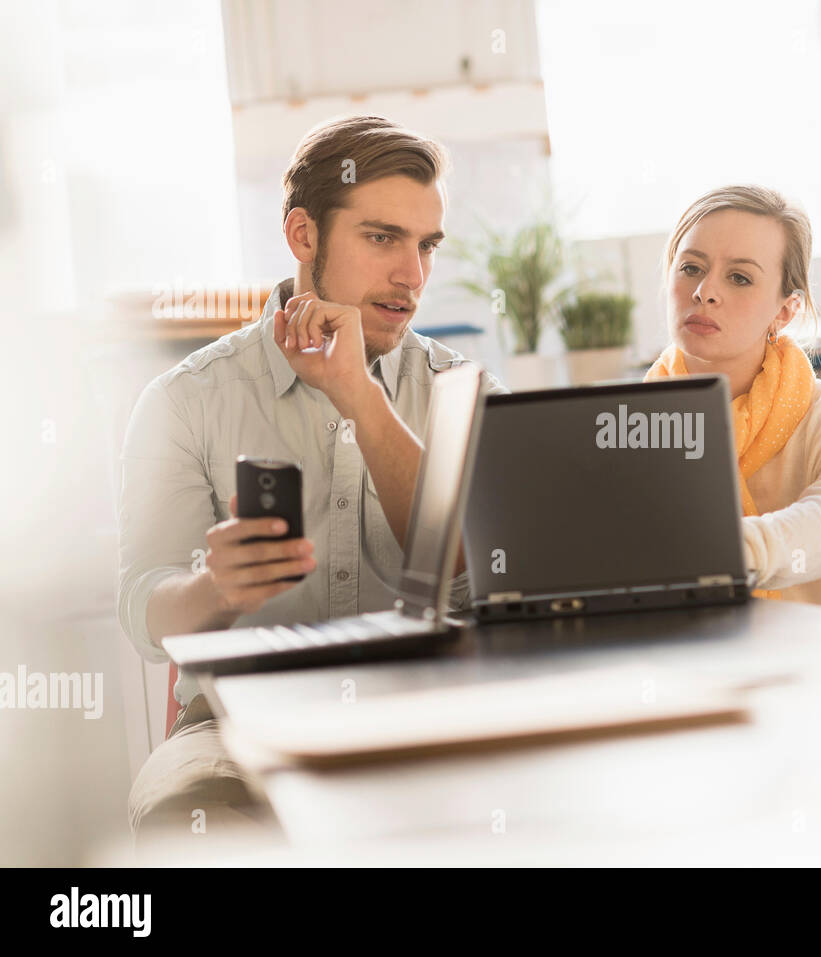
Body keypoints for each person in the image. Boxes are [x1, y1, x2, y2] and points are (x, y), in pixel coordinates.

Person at [117, 114, 506, 841]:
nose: (412, 275)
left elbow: (481, 577)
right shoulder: (183, 400)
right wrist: (216, 588)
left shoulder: (470, 393)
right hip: (234, 722)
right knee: (192, 817)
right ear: (303, 236)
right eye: (382, 237)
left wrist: (361, 395)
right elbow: (144, 615)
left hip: (434, 703)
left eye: (426, 247)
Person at [645, 185, 821, 610]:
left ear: (786, 311)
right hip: (691, 667)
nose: (705, 291)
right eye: (690, 267)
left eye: (739, 277)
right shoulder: (623, 428)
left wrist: (681, 554)